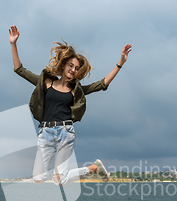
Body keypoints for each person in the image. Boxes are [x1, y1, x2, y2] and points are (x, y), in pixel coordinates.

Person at [9, 25, 131, 186]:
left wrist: (120, 63)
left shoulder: (76, 90)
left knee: (60, 180)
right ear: (64, 64)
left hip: (65, 132)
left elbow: (102, 84)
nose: (73, 70)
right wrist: (13, 44)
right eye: (71, 66)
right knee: (38, 180)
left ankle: (93, 169)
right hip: (45, 132)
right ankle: (94, 168)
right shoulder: (46, 82)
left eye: (77, 68)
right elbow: (20, 70)